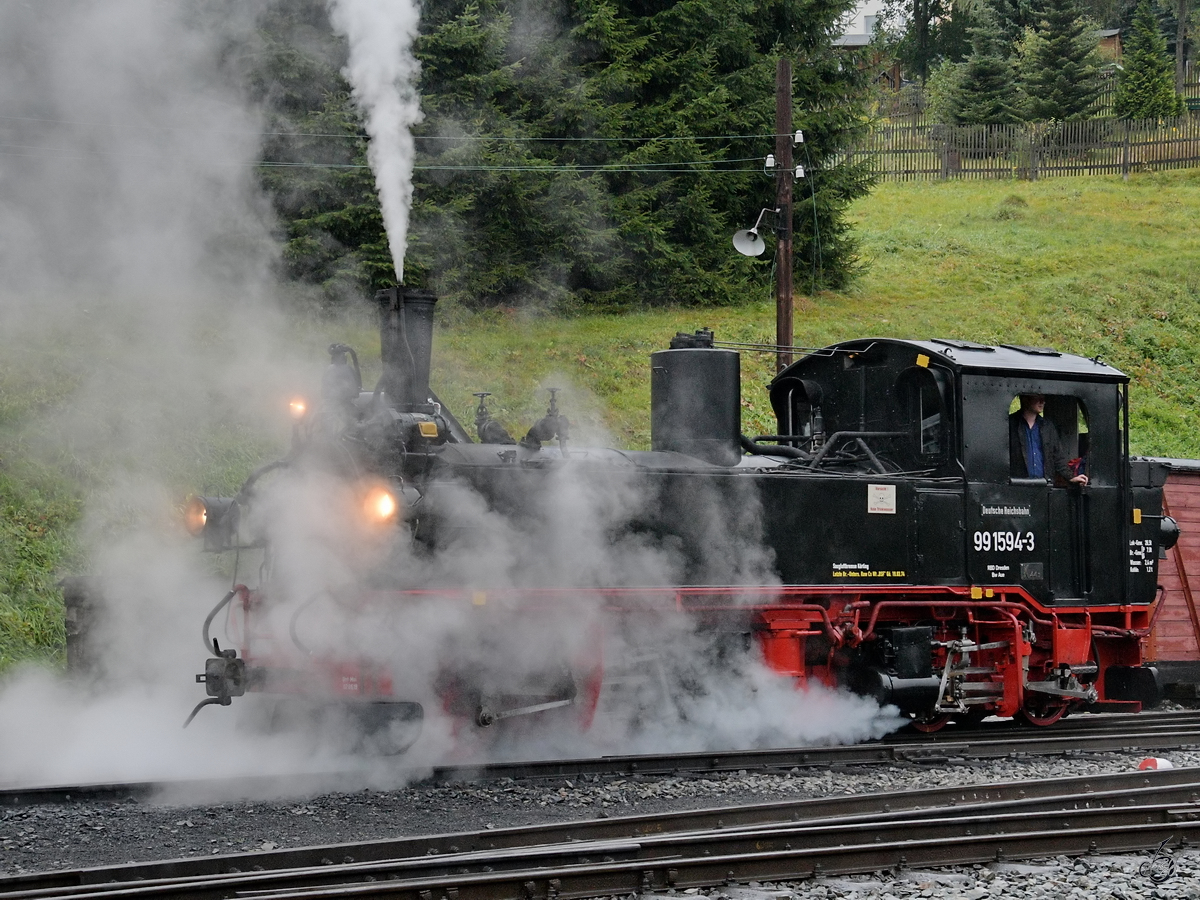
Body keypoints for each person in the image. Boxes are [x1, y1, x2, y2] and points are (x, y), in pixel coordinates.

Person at [1008, 394, 1089, 485]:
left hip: (1044, 485)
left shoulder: (1048, 426)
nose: (1042, 402)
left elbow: (1057, 456)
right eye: (1038, 398)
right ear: (1025, 399)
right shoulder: (1010, 424)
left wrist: (1071, 477)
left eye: (1043, 398)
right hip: (1018, 485)